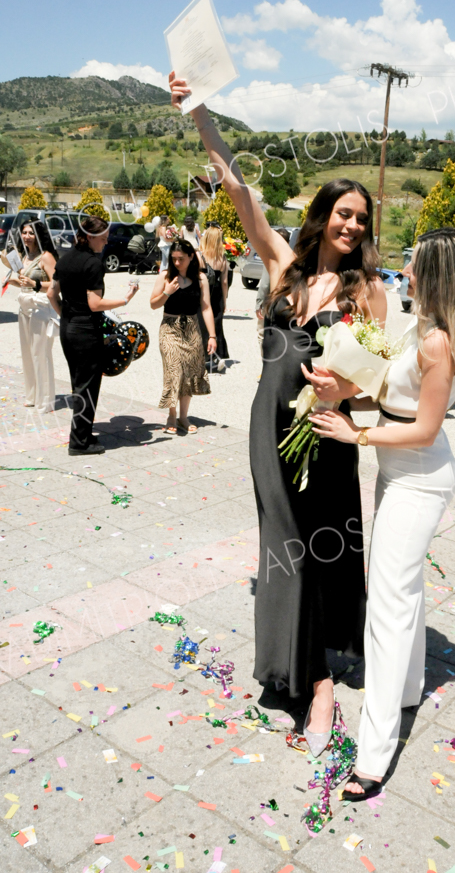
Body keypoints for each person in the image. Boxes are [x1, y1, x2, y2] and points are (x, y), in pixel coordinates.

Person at [169, 71, 387, 754]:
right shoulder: (283, 263)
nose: (352, 225)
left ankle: (317, 686)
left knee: (312, 552)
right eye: (344, 213)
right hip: (270, 433)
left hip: (324, 436)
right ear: (323, 214)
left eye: (362, 218)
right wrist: (200, 113)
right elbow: (239, 190)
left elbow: (377, 387)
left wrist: (342, 394)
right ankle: (304, 670)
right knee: (282, 550)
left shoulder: (368, 293)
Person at [307, 229, 455, 799]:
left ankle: (373, 756)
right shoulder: (423, 327)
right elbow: (393, 397)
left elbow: (426, 429)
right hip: (398, 474)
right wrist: (341, 391)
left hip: (420, 481)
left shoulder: (440, 343)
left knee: (386, 608)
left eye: (414, 266)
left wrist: (355, 434)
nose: (404, 273)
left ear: (438, 276)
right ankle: (409, 689)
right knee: (403, 592)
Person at [47, 215, 139, 455]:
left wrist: (67, 316)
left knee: (79, 384)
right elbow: (95, 304)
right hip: (86, 331)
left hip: (68, 328)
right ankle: (79, 443)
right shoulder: (93, 263)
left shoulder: (65, 259)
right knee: (87, 387)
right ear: (89, 236)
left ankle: (83, 434)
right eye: (103, 238)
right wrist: (125, 299)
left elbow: (51, 294)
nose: (106, 242)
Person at [150, 238, 217, 434]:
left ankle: (183, 417)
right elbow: (153, 304)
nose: (177, 262)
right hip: (169, 329)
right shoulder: (165, 276)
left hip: (192, 329)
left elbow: (206, 308)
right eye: (174, 259)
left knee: (188, 374)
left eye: (181, 259)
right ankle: (171, 415)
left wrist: (212, 336)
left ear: (191, 257)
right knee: (174, 371)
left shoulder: (200, 278)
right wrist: (166, 292)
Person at [7, 218, 58, 412]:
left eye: (31, 233)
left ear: (38, 235)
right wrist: (14, 282)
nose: (27, 236)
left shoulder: (46, 257)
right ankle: (32, 396)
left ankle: (46, 400)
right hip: (25, 306)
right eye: (24, 232)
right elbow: (25, 281)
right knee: (28, 354)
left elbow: (56, 284)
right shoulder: (24, 256)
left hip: (41, 308)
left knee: (41, 354)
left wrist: (35, 284)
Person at [199, 224, 230, 371]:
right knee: (216, 324)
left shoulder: (200, 255)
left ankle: (200, 355)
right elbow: (224, 282)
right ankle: (216, 355)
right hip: (216, 293)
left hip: (202, 292)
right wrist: (225, 300)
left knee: (201, 322)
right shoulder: (222, 258)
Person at [255, 226, 291, 349]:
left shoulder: (272, 259)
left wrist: (259, 303)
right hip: (286, 304)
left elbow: (265, 284)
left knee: (262, 333)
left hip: (270, 302)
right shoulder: (293, 258)